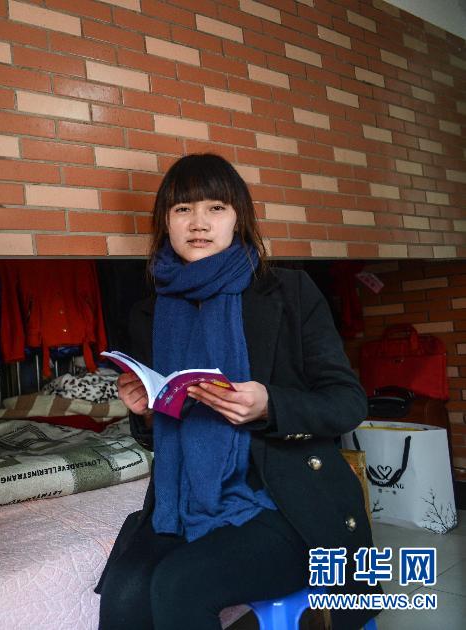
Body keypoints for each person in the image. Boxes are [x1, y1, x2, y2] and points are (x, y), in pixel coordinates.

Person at [95, 153, 380, 630]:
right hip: (183, 501)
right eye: (182, 209)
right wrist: (146, 412)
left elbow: (347, 402)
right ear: (165, 223)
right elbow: (159, 434)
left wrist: (269, 405)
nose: (198, 222)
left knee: (179, 584)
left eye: (215, 208)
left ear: (239, 219)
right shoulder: (149, 312)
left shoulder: (287, 292)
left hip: (283, 502)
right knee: (123, 592)